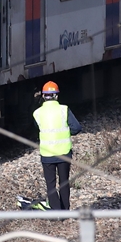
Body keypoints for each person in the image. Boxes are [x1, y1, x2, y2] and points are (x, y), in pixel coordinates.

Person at [32, 81, 83, 210]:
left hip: (47, 154)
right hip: (64, 153)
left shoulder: (37, 113)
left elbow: (38, 129)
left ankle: (56, 212)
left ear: (43, 96)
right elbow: (76, 128)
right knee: (64, 182)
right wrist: (66, 132)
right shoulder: (64, 109)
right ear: (56, 96)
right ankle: (65, 211)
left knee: (50, 184)